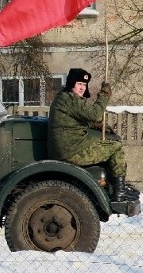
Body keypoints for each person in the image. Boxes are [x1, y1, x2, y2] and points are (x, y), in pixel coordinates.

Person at [47, 68, 136, 202]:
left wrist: (98, 126)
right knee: (116, 147)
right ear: (72, 84)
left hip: (68, 147)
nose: (82, 88)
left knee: (106, 143)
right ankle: (119, 190)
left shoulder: (65, 98)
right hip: (72, 151)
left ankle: (113, 185)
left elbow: (78, 120)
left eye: (84, 85)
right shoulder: (69, 99)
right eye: (79, 84)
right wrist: (104, 94)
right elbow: (94, 114)